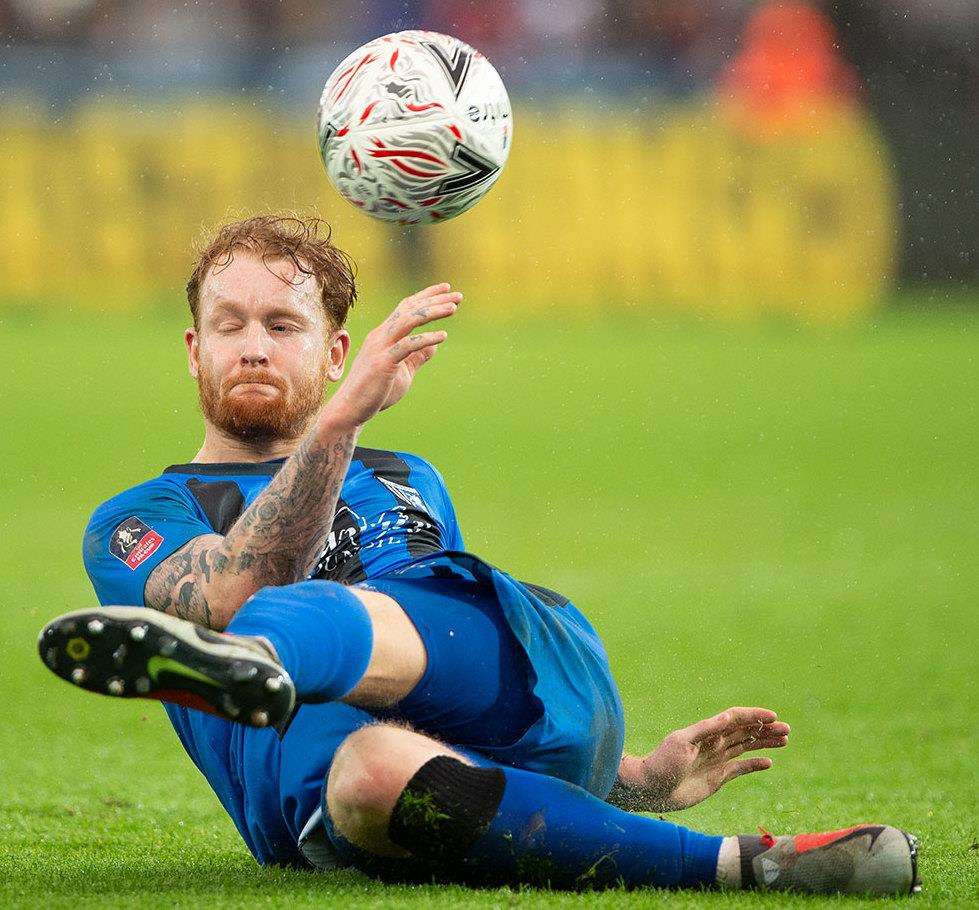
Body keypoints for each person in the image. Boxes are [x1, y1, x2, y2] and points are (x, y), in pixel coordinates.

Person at [40, 215, 919, 895]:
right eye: (227, 324)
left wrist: (632, 775)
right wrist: (642, 783)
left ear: (337, 352)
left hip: (527, 656)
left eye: (282, 322)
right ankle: (750, 867)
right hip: (301, 788)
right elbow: (227, 590)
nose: (254, 344)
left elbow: (458, 662)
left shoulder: (405, 475)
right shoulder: (138, 516)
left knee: (317, 617)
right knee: (369, 773)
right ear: (194, 350)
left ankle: (258, 666)